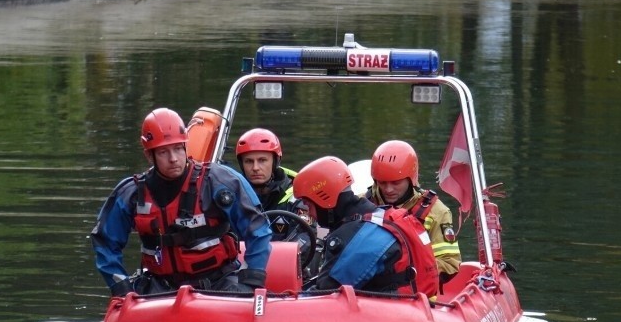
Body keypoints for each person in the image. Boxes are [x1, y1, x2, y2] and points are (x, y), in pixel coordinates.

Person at [91, 108, 272, 296]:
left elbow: (258, 231)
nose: (173, 159)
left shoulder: (219, 182)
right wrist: (121, 287)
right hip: (160, 287)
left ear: (186, 145)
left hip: (219, 283)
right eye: (163, 152)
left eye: (178, 148)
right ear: (149, 155)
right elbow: (105, 242)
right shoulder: (131, 194)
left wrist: (250, 281)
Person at [292, 156, 439, 296]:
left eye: (309, 205)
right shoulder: (377, 215)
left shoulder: (357, 237)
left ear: (324, 200)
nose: (309, 214)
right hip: (410, 306)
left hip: (393, 314)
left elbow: (325, 293)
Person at [367, 140, 462, 284]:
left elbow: (449, 262)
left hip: (414, 293)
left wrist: (410, 270)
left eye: (396, 183)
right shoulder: (363, 204)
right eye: (382, 182)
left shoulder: (436, 212)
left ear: (411, 179)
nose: (388, 189)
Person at [236, 127, 317, 266]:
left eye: (262, 160)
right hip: (238, 269)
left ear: (275, 162)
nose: (255, 167)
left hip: (283, 270)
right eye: (249, 161)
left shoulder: (297, 195)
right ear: (242, 165)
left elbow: (305, 239)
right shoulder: (230, 194)